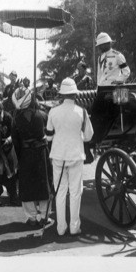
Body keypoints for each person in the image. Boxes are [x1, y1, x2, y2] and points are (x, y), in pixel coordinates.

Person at [46, 78, 94, 236]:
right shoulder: (82, 112)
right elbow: (88, 136)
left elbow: (49, 136)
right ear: (74, 94)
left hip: (58, 156)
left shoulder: (53, 111)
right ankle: (74, 227)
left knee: (60, 192)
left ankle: (61, 228)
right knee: (75, 192)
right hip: (76, 156)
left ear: (61, 94)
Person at [10, 86, 51, 225]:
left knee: (27, 185)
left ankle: (32, 217)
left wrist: (19, 157)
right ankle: (44, 216)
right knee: (44, 184)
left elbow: (15, 141)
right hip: (42, 153)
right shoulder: (43, 115)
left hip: (25, 153)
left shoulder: (16, 120)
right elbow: (50, 134)